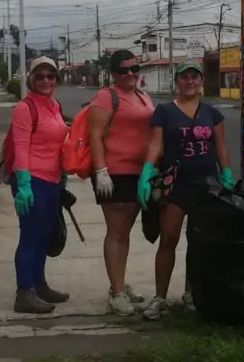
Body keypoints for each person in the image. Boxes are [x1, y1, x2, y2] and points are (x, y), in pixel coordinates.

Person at [138, 61, 236, 320]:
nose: (190, 82)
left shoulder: (212, 114)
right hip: (176, 185)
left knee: (200, 242)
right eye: (185, 78)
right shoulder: (164, 112)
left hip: (207, 185)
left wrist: (226, 173)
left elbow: (222, 148)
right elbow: (155, 145)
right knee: (168, 238)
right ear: (177, 82)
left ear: (201, 81)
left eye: (194, 77)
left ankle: (191, 294)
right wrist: (147, 172)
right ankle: (160, 297)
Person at [88, 50, 154, 316]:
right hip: (113, 173)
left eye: (135, 68)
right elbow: (95, 135)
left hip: (139, 174)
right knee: (116, 232)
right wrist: (101, 170)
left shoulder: (142, 96)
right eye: (124, 70)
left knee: (125, 232)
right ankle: (116, 293)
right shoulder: (106, 96)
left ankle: (119, 283)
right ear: (114, 74)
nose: (131, 74)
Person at [10, 56, 69, 314]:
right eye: (40, 76)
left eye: (51, 76)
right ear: (31, 79)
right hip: (32, 182)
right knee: (30, 237)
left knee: (44, 237)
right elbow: (20, 147)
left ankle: (39, 285)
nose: (46, 80)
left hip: (53, 181)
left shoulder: (54, 105)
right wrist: (24, 184)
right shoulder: (25, 108)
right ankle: (24, 293)